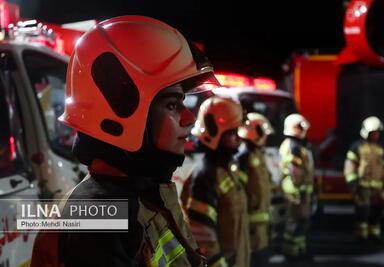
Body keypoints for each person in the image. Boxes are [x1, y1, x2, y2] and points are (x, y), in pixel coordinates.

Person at [30, 15, 221, 267]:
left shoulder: (140, 192)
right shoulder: (99, 220)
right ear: (122, 110)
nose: (189, 117)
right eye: (173, 104)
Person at [181, 96, 250, 267]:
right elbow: (203, 240)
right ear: (214, 134)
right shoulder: (205, 176)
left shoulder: (224, 170)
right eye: (233, 133)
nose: (239, 139)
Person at [344, 116, 384, 244]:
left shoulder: (380, 149)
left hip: (378, 188)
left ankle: (374, 235)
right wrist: (353, 182)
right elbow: (350, 166)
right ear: (367, 132)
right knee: (363, 212)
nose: (376, 135)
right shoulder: (357, 147)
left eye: (377, 133)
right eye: (373, 133)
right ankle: (361, 237)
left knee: (376, 213)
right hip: (363, 187)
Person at [236, 112, 274, 267]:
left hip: (259, 226)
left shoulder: (256, 153)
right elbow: (240, 191)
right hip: (250, 227)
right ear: (255, 132)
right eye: (264, 133)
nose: (266, 137)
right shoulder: (244, 155)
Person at [279, 113, 314, 262]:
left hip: (300, 192)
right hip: (295, 193)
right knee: (293, 224)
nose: (303, 130)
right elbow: (296, 172)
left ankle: (299, 250)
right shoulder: (292, 146)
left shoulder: (298, 145)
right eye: (300, 127)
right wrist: (299, 191)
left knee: (301, 223)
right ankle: (291, 255)